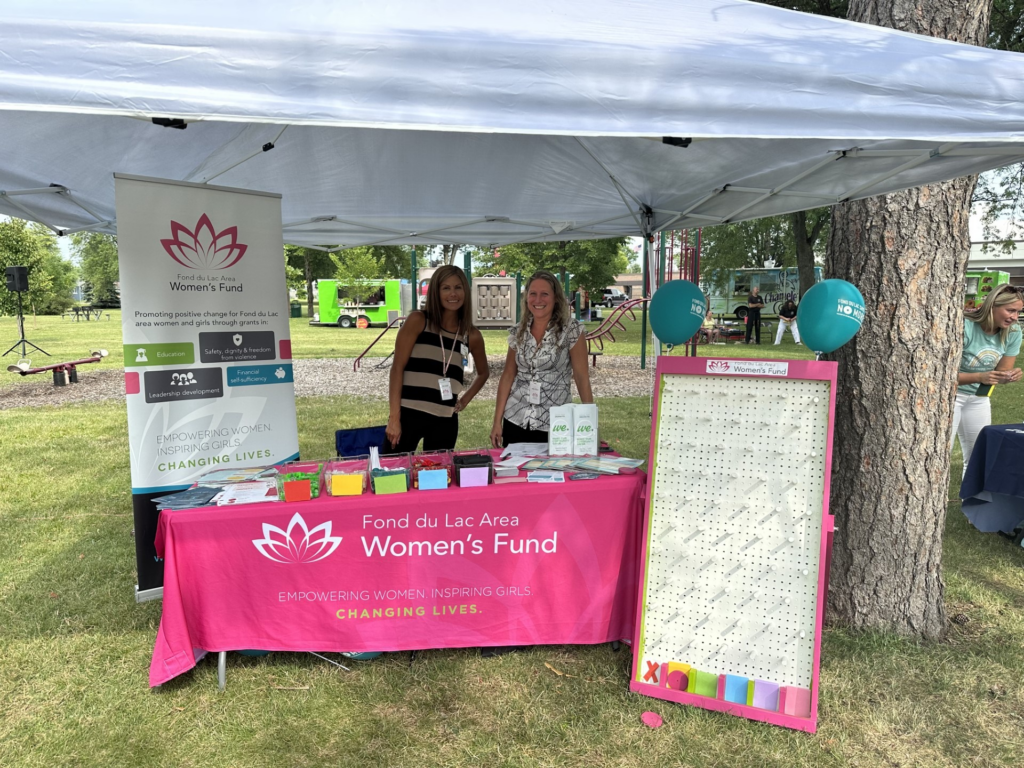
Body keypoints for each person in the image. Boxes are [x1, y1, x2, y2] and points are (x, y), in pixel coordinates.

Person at [386, 265, 489, 453]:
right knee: (393, 475)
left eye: (458, 287)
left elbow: (483, 373)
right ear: (436, 291)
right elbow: (397, 369)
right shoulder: (418, 321)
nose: (453, 294)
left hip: (445, 419)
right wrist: (394, 418)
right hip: (408, 414)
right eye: (446, 288)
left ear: (465, 291)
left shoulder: (470, 335)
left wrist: (464, 400)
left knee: (438, 478)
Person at [490, 270, 594, 448]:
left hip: (556, 423)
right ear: (526, 298)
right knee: (517, 475)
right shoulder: (518, 332)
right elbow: (508, 376)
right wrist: (497, 422)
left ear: (556, 298)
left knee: (552, 474)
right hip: (516, 418)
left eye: (544, 294)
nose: (538, 300)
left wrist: (591, 426)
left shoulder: (572, 330)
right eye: (533, 294)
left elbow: (582, 378)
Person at [952, 283, 1023, 470]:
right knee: (941, 452)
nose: (1014, 317)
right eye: (1010, 311)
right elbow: (941, 376)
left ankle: (971, 500)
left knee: (979, 456)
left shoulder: (1014, 332)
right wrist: (979, 377)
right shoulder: (965, 326)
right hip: (951, 396)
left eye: (1018, 312)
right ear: (993, 305)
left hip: (979, 397)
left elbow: (999, 373)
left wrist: (1009, 375)